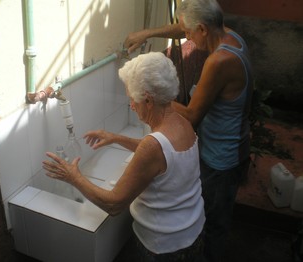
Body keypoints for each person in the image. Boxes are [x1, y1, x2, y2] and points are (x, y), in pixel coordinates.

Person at [43, 52, 205, 261]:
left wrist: (73, 177)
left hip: (165, 247)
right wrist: (115, 138)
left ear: (147, 100)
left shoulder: (153, 145)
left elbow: (114, 205)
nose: (131, 105)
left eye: (131, 98)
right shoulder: (182, 122)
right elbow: (163, 157)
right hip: (193, 231)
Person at [124, 1, 254, 262]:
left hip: (221, 160)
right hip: (237, 146)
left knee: (213, 224)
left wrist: (151, 92)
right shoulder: (230, 35)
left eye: (189, 33)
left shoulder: (219, 61)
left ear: (203, 29)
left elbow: (192, 116)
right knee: (214, 218)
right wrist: (147, 33)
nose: (186, 38)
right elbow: (184, 26)